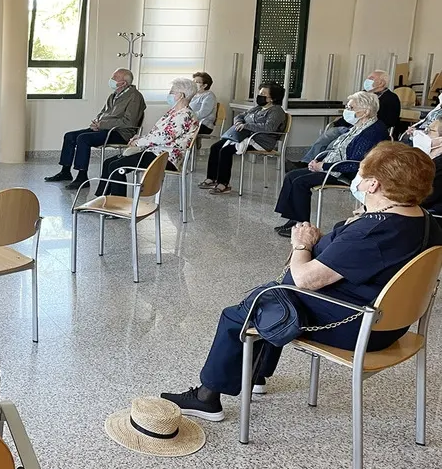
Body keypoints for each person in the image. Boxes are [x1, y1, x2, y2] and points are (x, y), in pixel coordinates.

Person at [161, 142, 442, 422]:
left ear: (373, 185)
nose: (357, 176)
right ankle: (255, 375)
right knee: (272, 297)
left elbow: (303, 278)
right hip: (389, 324)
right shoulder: (424, 221)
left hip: (356, 327)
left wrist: (301, 244)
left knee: (247, 310)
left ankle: (206, 399)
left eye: (361, 171)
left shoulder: (373, 233)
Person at [273, 91, 389, 236]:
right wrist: (320, 161)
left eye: (351, 108)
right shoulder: (360, 126)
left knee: (300, 182)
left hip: (347, 172)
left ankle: (302, 225)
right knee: (292, 176)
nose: (347, 111)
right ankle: (294, 221)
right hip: (336, 165)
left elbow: (356, 164)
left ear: (365, 112)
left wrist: (323, 166)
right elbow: (339, 149)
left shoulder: (373, 131)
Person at [45, 68, 146, 190]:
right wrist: (97, 122)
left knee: (83, 138)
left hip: (120, 132)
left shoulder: (135, 97)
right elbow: (103, 112)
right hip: (104, 129)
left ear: (124, 83)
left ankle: (82, 177)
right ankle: (65, 171)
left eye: (115, 78)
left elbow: (129, 122)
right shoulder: (114, 95)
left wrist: (102, 124)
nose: (111, 80)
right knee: (70, 136)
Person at [95, 78, 199, 197]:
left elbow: (164, 137)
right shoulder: (174, 112)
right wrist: (138, 139)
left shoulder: (185, 115)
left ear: (180, 95)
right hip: (156, 152)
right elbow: (156, 134)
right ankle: (100, 198)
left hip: (166, 158)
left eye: (172, 92)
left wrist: (139, 142)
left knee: (116, 166)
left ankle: (117, 204)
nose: (169, 94)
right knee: (109, 162)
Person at [296, 70, 400, 167]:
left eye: (371, 78)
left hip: (363, 129)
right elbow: (352, 111)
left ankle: (323, 165)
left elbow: (389, 121)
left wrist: (364, 122)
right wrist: (340, 121)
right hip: (351, 126)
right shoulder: (363, 94)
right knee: (327, 135)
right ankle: (307, 162)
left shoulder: (391, 98)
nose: (367, 81)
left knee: (334, 144)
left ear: (381, 83)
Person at [198, 82, 286, 195]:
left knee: (225, 151)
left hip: (260, 141)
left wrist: (246, 125)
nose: (260, 96)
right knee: (216, 147)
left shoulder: (276, 111)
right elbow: (240, 116)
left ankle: (223, 184)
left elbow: (269, 127)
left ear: (272, 98)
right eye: (260, 93)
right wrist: (239, 122)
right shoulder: (258, 108)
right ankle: (211, 178)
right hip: (246, 136)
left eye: (264, 94)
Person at [414, 117, 442, 213]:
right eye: (426, 129)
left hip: (426, 212)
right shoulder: (427, 155)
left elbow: (426, 197)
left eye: (431, 131)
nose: (425, 134)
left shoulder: (439, 165)